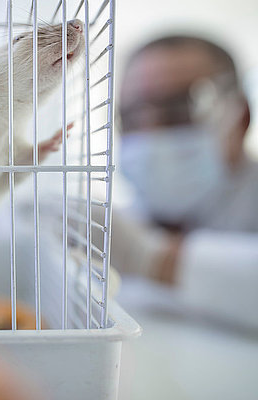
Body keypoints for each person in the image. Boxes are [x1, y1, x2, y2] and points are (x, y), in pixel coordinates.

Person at [111, 35, 258, 329]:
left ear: (240, 117)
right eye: (131, 117)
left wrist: (154, 258)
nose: (151, 133)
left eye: (180, 110)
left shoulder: (129, 244)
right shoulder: (124, 225)